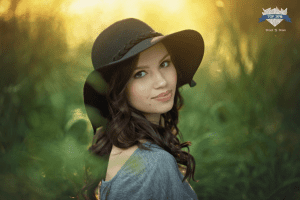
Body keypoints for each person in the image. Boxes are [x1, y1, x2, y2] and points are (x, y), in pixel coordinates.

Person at [82, 18, 205, 200]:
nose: (162, 82)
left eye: (164, 64)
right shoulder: (154, 163)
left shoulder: (122, 146)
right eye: (140, 74)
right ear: (118, 88)